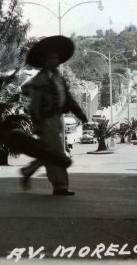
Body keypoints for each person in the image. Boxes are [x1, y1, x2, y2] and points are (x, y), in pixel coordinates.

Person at [20, 36, 88, 196]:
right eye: (51, 57)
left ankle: (28, 170)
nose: (54, 60)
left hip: (57, 119)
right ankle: (60, 185)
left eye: (56, 57)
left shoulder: (58, 77)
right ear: (44, 61)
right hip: (46, 120)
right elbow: (34, 105)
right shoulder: (40, 80)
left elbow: (68, 98)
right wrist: (37, 124)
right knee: (56, 153)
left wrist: (80, 113)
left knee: (50, 151)